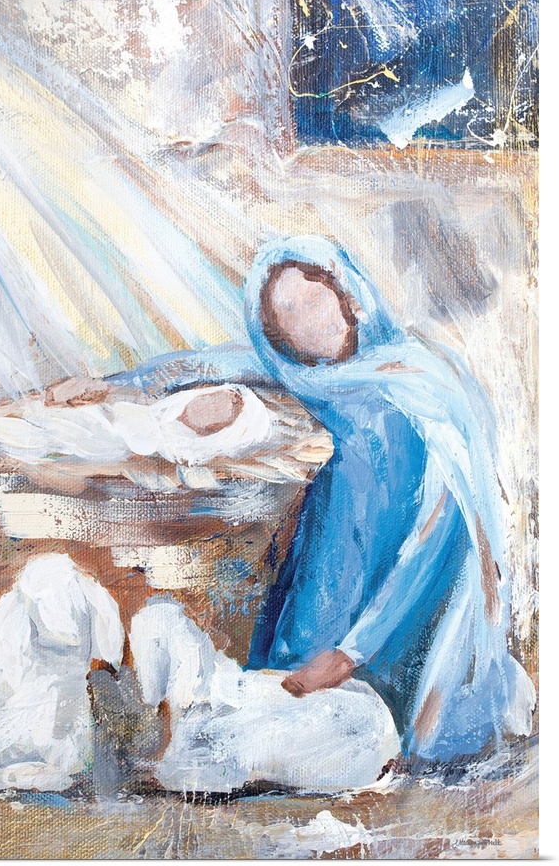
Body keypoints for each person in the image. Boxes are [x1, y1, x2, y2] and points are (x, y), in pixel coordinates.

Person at [48, 234, 535, 762]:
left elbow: (435, 534)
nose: (305, 323)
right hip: (335, 572)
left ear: (347, 296)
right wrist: (113, 386)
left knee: (376, 727)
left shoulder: (418, 382)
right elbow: (209, 364)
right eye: (286, 316)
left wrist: (352, 652)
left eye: (312, 300)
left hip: (409, 599)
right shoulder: (310, 376)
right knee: (292, 706)